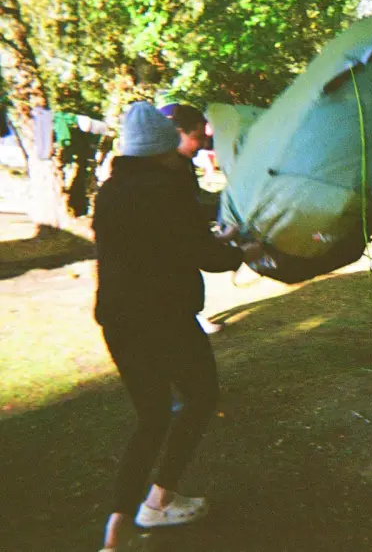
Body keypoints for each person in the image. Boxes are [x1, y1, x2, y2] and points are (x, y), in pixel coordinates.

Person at [93, 102, 263, 552]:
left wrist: (210, 242)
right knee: (202, 395)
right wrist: (244, 249)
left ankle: (116, 528)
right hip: (165, 318)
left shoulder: (108, 192)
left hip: (118, 320)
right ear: (163, 151)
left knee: (150, 418)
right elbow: (203, 255)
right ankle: (161, 498)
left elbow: (161, 245)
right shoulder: (168, 188)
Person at [161, 103, 224, 334]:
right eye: (197, 137)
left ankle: (192, 315)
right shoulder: (164, 174)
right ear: (178, 134)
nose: (204, 145)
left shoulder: (182, 164)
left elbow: (194, 204)